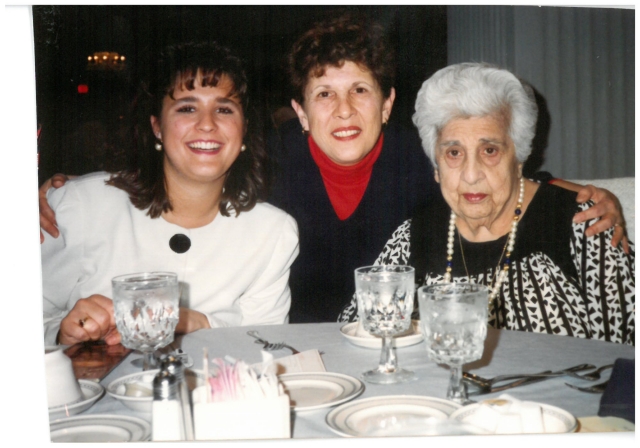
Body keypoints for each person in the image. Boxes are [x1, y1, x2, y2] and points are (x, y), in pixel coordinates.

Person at [40, 15, 627, 324]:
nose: (344, 111)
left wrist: (587, 195)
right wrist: (51, 184)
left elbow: (487, 171)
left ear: (389, 103)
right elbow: (187, 159)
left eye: (361, 91)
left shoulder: (416, 158)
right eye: (323, 94)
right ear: (298, 110)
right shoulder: (262, 162)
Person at [340, 63, 634, 345]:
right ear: (436, 166)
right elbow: (355, 332)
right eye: (454, 152)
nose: (471, 175)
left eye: (489, 150)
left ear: (518, 158)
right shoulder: (413, 236)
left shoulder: (583, 223)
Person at [41, 42, 299, 346]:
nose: (207, 124)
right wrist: (60, 333)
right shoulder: (80, 207)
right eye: (187, 108)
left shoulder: (271, 233)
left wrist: (201, 323)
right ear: (157, 127)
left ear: (243, 130)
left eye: (224, 109)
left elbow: (266, 349)